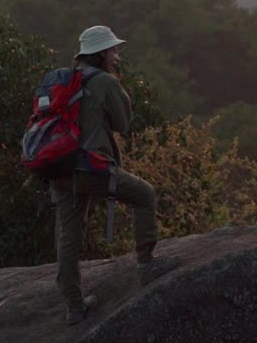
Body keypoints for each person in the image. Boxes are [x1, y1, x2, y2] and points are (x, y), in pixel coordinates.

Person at [51, 25, 178, 324]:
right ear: (101, 54)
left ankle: (74, 306)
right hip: (89, 168)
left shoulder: (64, 78)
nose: (117, 55)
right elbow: (122, 123)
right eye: (114, 50)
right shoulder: (104, 81)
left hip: (58, 168)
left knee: (68, 235)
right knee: (145, 195)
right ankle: (146, 265)